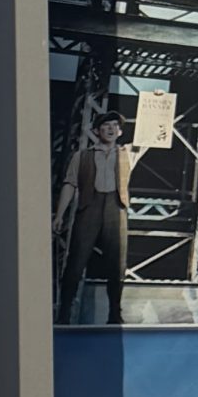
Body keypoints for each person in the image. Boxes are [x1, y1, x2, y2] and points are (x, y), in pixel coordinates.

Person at [54, 112, 133, 326]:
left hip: (116, 208)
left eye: (115, 125)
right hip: (89, 207)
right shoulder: (82, 155)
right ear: (97, 131)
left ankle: (115, 314)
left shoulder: (128, 153)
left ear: (120, 131)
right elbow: (70, 184)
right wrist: (60, 214)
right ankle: (64, 313)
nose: (110, 129)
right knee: (76, 262)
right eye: (106, 125)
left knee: (117, 265)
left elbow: (152, 135)